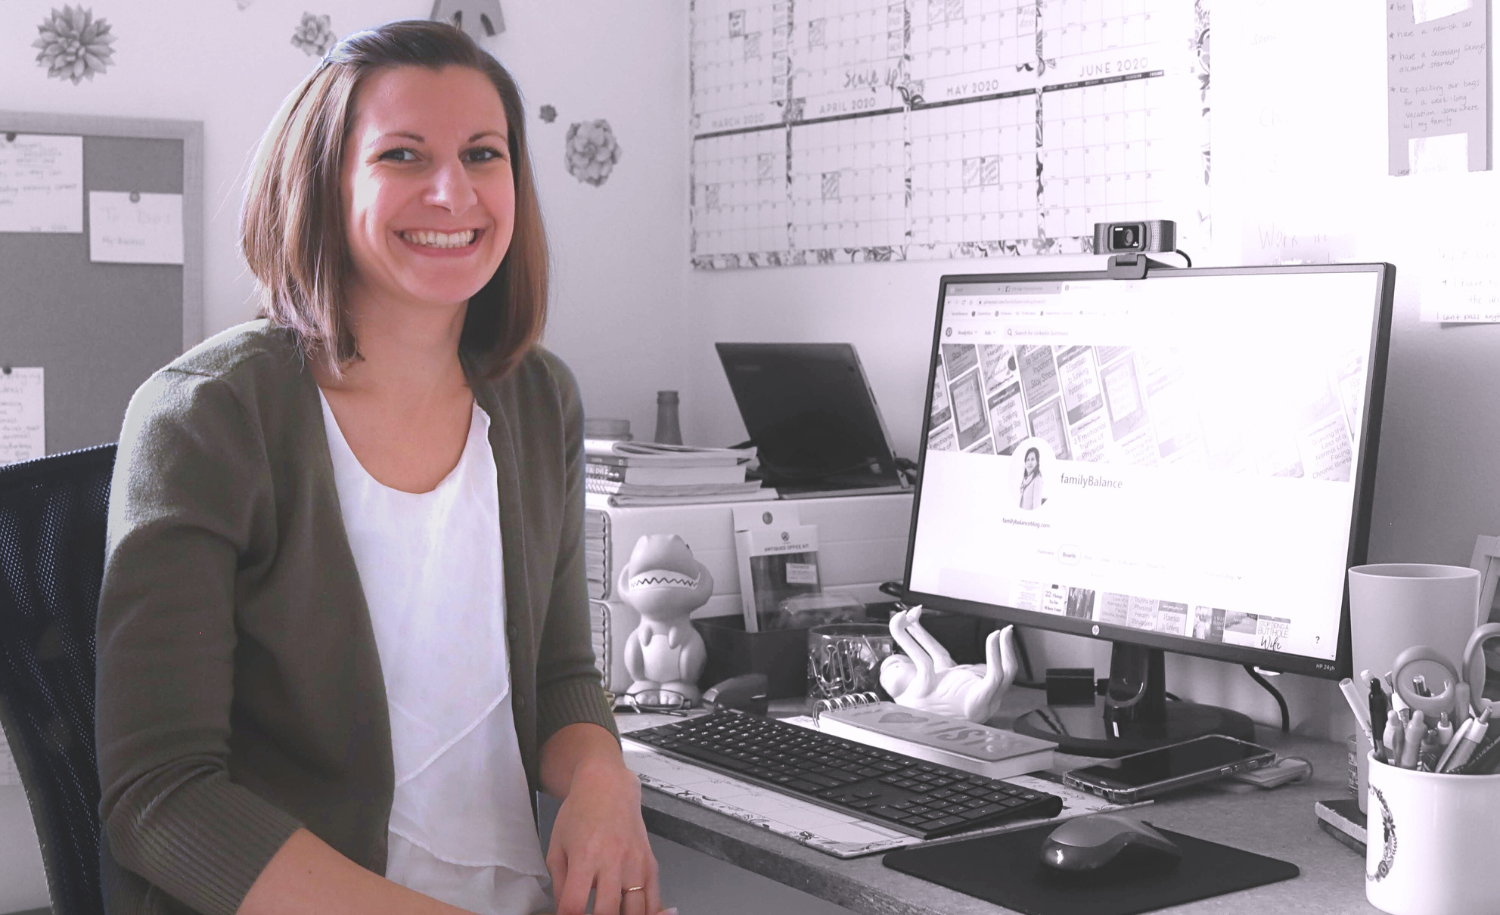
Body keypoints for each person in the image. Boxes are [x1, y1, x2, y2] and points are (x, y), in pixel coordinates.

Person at [95, 20, 667, 915]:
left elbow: (558, 673)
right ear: (322, 184)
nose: (454, 191)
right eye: (403, 155)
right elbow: (162, 799)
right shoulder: (206, 415)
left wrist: (602, 777)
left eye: (484, 154)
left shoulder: (536, 398)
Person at [1019, 446, 1044, 510]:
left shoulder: (1037, 480)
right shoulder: (1025, 480)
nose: (1029, 462)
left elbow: (1036, 507)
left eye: (1032, 459)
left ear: (1037, 462)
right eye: (1028, 460)